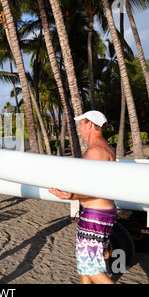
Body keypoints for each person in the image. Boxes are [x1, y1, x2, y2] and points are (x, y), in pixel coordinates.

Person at [48, 110, 117, 284]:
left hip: (96, 215)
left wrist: (71, 195)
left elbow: (100, 189)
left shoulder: (96, 151)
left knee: (92, 269)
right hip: (97, 214)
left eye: (81, 124)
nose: (79, 129)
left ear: (90, 125)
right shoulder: (101, 148)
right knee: (85, 265)